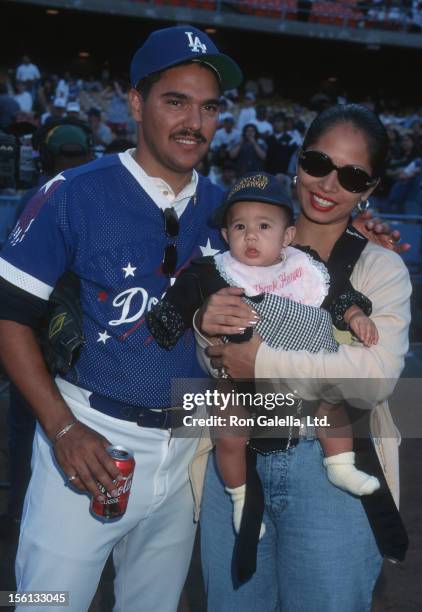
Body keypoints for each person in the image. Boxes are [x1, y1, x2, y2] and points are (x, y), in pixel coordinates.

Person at [0, 25, 242, 612]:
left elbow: (295, 274)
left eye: (209, 107)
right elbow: (8, 320)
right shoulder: (70, 194)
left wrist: (360, 238)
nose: (195, 122)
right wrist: (62, 429)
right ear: (136, 103)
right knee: (45, 603)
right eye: (175, 101)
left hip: (184, 442)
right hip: (87, 439)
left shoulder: (225, 208)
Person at [196, 104, 412, 611]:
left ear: (369, 188)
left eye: (352, 174)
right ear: (298, 160)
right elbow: (213, 362)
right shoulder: (237, 246)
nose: (329, 184)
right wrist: (205, 327)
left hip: (331, 471)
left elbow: (373, 381)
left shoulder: (381, 267)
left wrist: (262, 362)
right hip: (234, 461)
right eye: (319, 163)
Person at [146, 171, 381, 537]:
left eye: (264, 226)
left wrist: (356, 315)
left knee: (331, 404)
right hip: (240, 382)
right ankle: (240, 498)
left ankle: (340, 463)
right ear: (225, 236)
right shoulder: (213, 270)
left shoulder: (304, 266)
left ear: (288, 235)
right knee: (228, 433)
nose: (250, 235)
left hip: (305, 378)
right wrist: (171, 318)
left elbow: (337, 294)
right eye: (239, 227)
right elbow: (183, 297)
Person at [0, 120, 93, 540]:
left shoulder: (43, 195)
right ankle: (25, 510)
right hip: (41, 335)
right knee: (33, 427)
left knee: (31, 427)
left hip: (63, 338)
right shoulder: (45, 198)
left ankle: (24, 512)